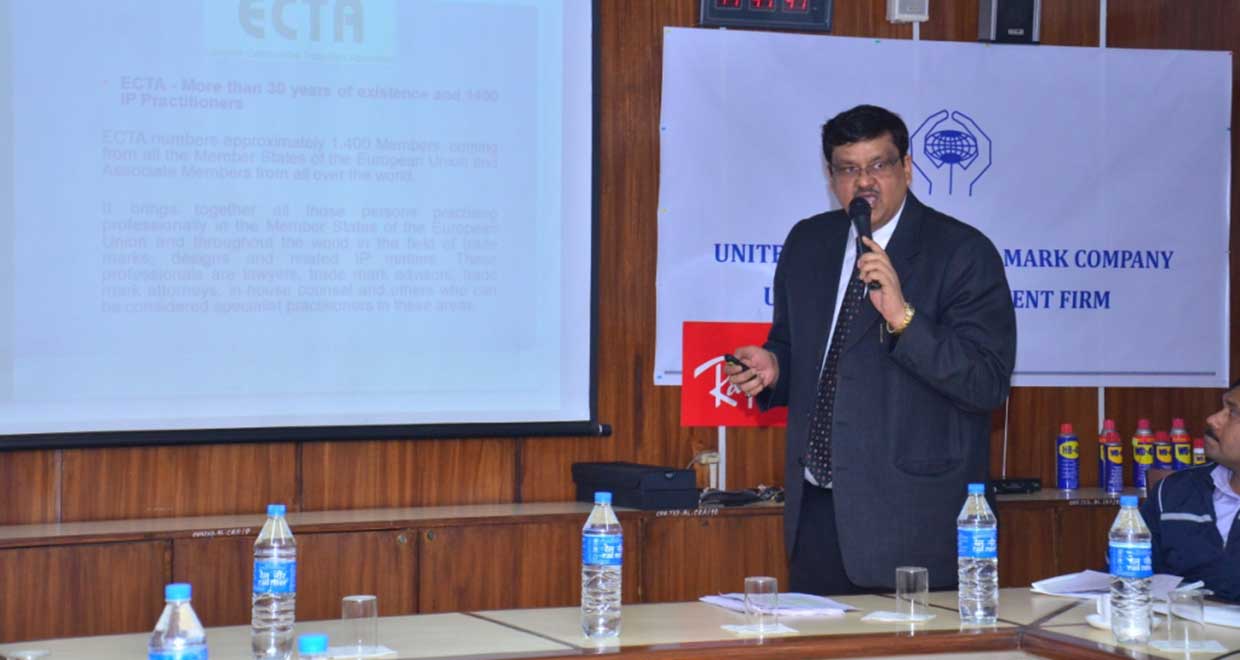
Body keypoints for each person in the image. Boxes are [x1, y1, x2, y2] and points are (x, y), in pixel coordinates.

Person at [727, 104, 1016, 594]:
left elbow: (986, 383)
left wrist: (904, 318)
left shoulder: (962, 252)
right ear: (831, 177)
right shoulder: (808, 242)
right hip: (818, 513)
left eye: (878, 165)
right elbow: (799, 348)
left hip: (912, 520)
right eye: (848, 169)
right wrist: (774, 366)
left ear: (907, 167)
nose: (864, 182)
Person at [1139, 383, 1240, 602]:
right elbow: (1126, 579)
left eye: (1232, 412)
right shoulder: (1173, 491)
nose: (1212, 419)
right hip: (1175, 622)